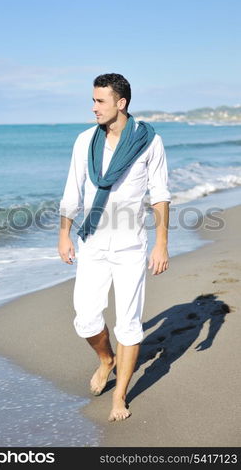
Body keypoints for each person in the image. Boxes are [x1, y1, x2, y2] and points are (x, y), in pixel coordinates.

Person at [58, 73, 171, 422]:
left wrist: (161, 244)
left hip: (129, 246)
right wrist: (64, 234)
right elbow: (72, 192)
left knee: (129, 324)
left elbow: (160, 195)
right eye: (93, 100)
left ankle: (119, 396)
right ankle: (106, 359)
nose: (93, 108)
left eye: (100, 101)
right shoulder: (84, 141)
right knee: (86, 318)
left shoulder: (149, 142)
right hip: (91, 242)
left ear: (120, 103)